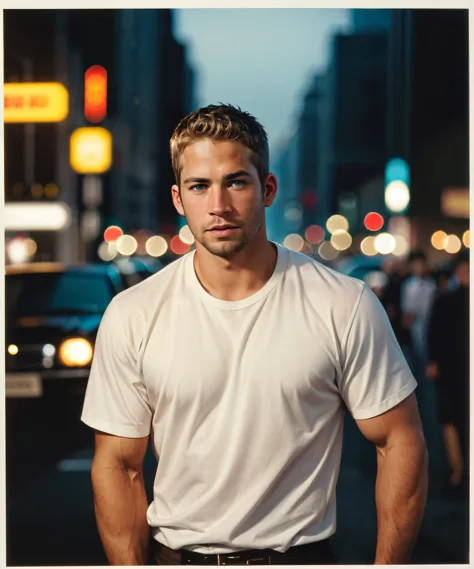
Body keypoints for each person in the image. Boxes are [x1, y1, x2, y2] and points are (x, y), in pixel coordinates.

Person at [81, 104, 428, 566]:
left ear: (267, 189)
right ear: (179, 199)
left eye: (236, 182)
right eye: (199, 187)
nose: (218, 206)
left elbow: (400, 440)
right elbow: (118, 465)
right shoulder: (133, 313)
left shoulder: (343, 303)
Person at [426, 251, 469, 490]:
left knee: (450, 422)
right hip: (453, 370)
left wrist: (433, 363)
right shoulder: (445, 300)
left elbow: (433, 335)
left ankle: (458, 470)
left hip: (449, 371)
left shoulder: (444, 300)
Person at [400, 251, 437, 375]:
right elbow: (407, 312)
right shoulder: (409, 285)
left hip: (429, 329)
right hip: (414, 332)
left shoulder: (432, 284)